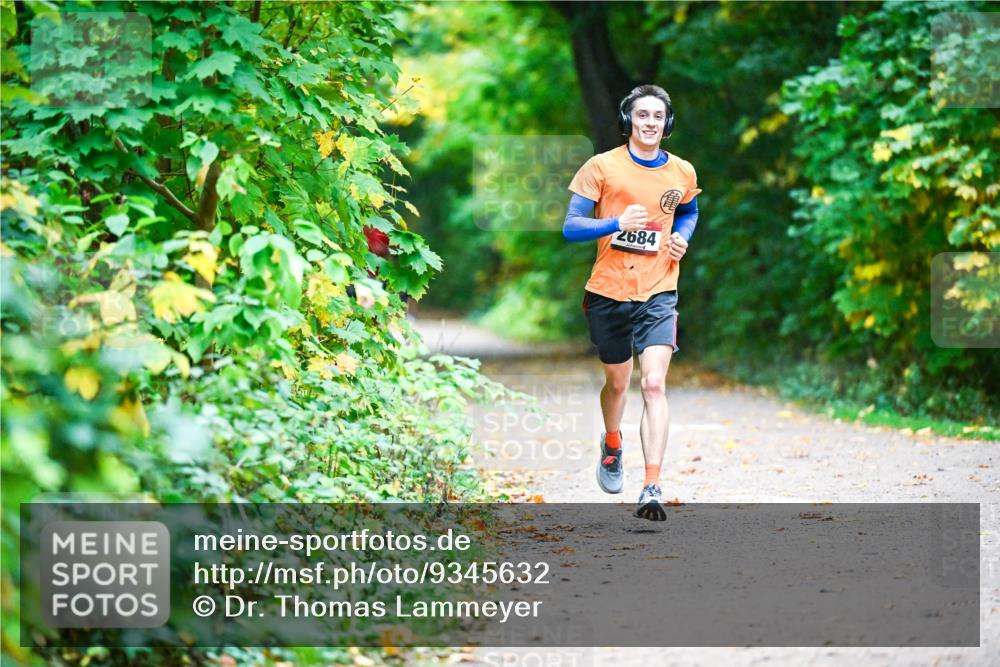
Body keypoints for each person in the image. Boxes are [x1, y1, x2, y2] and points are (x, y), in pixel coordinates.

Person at [562, 84, 701, 521]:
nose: (650, 123)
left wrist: (682, 237)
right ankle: (612, 441)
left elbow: (689, 211)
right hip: (608, 291)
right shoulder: (601, 167)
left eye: (658, 116)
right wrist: (616, 223)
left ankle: (652, 484)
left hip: (659, 289)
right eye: (642, 115)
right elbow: (570, 227)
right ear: (628, 121)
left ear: (668, 123)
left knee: (654, 384)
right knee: (619, 384)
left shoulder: (681, 171)